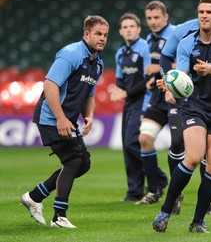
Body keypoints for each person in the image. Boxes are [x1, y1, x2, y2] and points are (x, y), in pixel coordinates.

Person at [152, 0, 211, 233]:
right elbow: (183, 77)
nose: (204, 16)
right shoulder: (186, 43)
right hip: (195, 107)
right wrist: (171, 88)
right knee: (192, 157)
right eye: (201, 12)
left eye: (209, 12)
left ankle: (198, 222)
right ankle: (165, 210)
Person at [20, 15, 109, 228]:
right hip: (51, 117)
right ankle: (59, 216)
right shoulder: (71, 54)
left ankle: (34, 197)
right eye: (98, 34)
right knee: (73, 160)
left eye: (105, 35)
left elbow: (89, 95)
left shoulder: (98, 63)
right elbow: (50, 85)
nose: (102, 38)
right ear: (86, 34)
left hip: (67, 119)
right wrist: (60, 118)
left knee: (83, 164)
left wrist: (89, 115)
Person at [136, 0, 177, 204]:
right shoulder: (149, 40)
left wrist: (158, 67)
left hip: (179, 98)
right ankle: (153, 190)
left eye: (156, 17)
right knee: (144, 139)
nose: (152, 22)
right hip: (158, 98)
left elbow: (187, 63)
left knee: (182, 148)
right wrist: (155, 77)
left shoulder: (176, 35)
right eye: (149, 18)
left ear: (166, 17)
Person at [108, 12, 151, 202]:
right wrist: (116, 90)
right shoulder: (120, 53)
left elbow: (149, 77)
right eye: (125, 27)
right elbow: (120, 80)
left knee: (133, 142)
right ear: (120, 31)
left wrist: (125, 93)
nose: (128, 30)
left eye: (132, 26)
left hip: (144, 101)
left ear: (139, 29)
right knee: (128, 146)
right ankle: (134, 191)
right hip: (129, 103)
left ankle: (158, 179)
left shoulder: (145, 48)